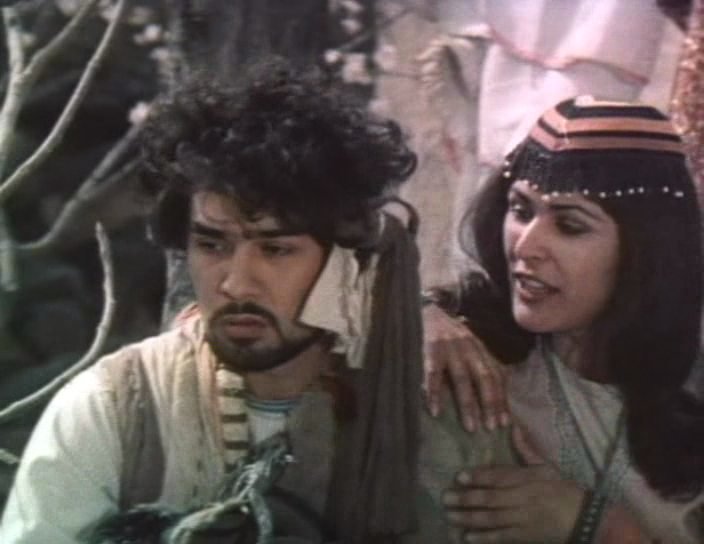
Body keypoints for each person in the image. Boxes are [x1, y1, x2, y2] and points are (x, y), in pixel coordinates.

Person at [0, 59, 517, 544]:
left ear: (341, 260)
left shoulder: (427, 407)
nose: (236, 284)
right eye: (212, 245)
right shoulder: (116, 406)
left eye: (275, 249)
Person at [425, 96, 704, 543]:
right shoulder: (470, 348)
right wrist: (418, 316)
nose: (525, 247)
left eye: (570, 226)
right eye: (521, 211)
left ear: (646, 252)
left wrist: (601, 527)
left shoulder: (692, 380)